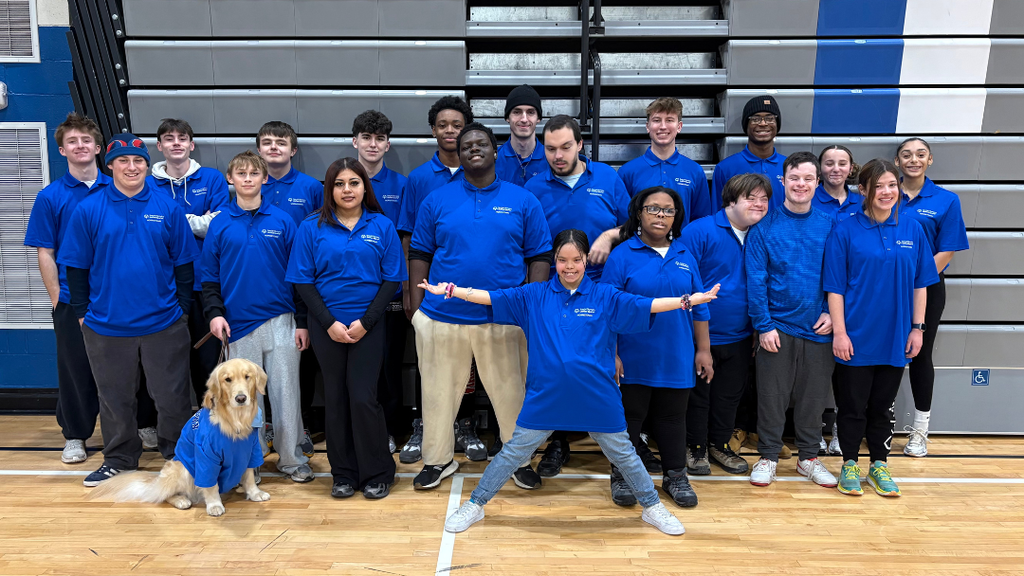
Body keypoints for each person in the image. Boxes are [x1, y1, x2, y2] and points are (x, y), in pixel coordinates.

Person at [434, 229, 720, 536]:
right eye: (562, 260)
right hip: (546, 397)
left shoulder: (606, 296)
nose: (569, 267)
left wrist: (687, 300)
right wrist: (452, 290)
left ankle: (652, 507)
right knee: (513, 453)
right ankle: (475, 505)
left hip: (598, 397)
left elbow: (647, 304)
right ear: (554, 260)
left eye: (577, 260)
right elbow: (488, 296)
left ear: (586, 260)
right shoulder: (533, 295)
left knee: (625, 454)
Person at [408, 123, 552, 491]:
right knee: (437, 396)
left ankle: (518, 460)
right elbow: (420, 253)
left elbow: (539, 256)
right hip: (443, 315)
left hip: (503, 316)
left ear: (495, 150)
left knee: (511, 394)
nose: (474, 149)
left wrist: (529, 305)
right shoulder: (437, 200)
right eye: (467, 144)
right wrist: (416, 307)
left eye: (481, 143)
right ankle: (437, 461)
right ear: (458, 152)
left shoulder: (523, 200)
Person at [58, 134, 197, 487]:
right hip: (106, 325)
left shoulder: (166, 206)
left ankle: (178, 455)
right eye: (123, 161)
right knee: (115, 398)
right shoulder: (88, 209)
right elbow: (76, 267)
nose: (131, 167)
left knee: (172, 397)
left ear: (148, 166)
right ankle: (119, 457)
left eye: (138, 161)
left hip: (163, 323)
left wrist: (181, 309)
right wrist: (82, 312)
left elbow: (183, 264)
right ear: (111, 165)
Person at [24, 113, 158, 464]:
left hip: (120, 297)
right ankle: (76, 435)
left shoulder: (121, 187)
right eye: (72, 142)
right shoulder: (50, 197)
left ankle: (143, 425)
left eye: (86, 141)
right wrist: (58, 299)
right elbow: (45, 251)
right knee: (76, 368)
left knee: (137, 366)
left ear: (99, 149)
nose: (80, 146)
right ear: (62, 149)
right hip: (73, 299)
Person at [287, 157, 407, 499]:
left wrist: (365, 323)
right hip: (326, 325)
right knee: (336, 399)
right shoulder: (311, 227)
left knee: (363, 397)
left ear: (364, 187)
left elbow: (391, 282)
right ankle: (343, 474)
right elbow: (303, 282)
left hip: (368, 326)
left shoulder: (381, 225)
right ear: (330, 189)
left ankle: (378, 472)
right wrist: (330, 324)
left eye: (354, 182)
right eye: (339, 183)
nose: (347, 189)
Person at [523, 114, 631, 476]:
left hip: (600, 287)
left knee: (598, 367)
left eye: (566, 147)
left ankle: (613, 449)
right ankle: (558, 442)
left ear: (580, 144)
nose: (558, 155)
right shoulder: (534, 186)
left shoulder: (607, 178)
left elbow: (633, 225)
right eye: (550, 149)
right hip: (554, 290)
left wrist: (609, 235)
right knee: (557, 367)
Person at [825, 159, 939, 496]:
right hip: (856, 335)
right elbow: (835, 287)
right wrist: (841, 333)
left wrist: (917, 328)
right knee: (852, 406)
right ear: (863, 190)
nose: (887, 192)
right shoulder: (844, 229)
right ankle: (849, 463)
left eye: (892, 185)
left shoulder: (913, 229)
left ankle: (879, 465)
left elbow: (921, 284)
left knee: (882, 407)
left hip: (896, 335)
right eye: (879, 186)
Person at [200, 150, 313, 483]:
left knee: (286, 394)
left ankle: (292, 459)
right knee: (243, 400)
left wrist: (303, 321)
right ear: (230, 180)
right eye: (240, 174)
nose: (247, 179)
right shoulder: (220, 223)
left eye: (253, 174)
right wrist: (215, 314)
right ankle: (250, 464)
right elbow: (209, 278)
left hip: (282, 320)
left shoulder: (282, 221)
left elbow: (300, 275)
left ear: (265, 179)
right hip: (238, 326)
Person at [602, 187, 711, 508]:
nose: (660, 215)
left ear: (677, 216)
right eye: (653, 209)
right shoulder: (622, 255)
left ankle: (675, 476)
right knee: (629, 419)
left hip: (676, 355)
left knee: (673, 418)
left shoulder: (685, 254)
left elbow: (700, 306)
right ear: (639, 213)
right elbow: (607, 308)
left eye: (668, 210)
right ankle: (622, 475)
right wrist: (613, 353)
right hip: (632, 357)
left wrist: (703, 349)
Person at [396, 96, 483, 465]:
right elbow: (407, 237)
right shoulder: (418, 179)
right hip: (431, 290)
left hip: (474, 287)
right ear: (433, 130)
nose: (450, 130)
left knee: (470, 364)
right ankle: (425, 423)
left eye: (457, 124)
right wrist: (408, 289)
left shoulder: (481, 169)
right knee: (429, 359)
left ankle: (465, 424)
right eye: (443, 124)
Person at [745, 151, 837, 489]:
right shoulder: (764, 226)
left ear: (818, 182)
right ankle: (768, 456)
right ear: (783, 181)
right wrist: (764, 324)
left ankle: (808, 459)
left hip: (819, 327)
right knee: (771, 397)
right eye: (794, 178)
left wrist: (831, 312)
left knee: (813, 398)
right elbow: (756, 279)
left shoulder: (830, 224)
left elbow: (841, 275)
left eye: (808, 179)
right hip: (777, 328)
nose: (801, 184)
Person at [679, 174, 771, 477]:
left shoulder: (763, 233)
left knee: (728, 396)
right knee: (698, 396)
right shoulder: (700, 230)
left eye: (764, 199)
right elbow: (684, 284)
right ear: (731, 200)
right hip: (700, 334)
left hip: (741, 334)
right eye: (751, 198)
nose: (758, 205)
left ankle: (719, 444)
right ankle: (695, 448)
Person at [894, 138, 970, 458]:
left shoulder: (945, 200)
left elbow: (948, 249)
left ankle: (920, 429)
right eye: (906, 155)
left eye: (920, 155)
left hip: (927, 288)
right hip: (885, 287)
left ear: (930, 160)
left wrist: (917, 280)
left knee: (920, 354)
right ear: (897, 162)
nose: (914, 160)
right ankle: (882, 422)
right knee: (883, 353)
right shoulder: (882, 192)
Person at [147, 118, 231, 405]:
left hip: (206, 282)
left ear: (191, 145)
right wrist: (198, 220)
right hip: (164, 286)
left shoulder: (212, 178)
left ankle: (211, 421)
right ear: (159, 146)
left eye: (182, 138)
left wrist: (171, 220)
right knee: (169, 359)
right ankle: (173, 424)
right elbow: (150, 230)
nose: (176, 143)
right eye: (169, 138)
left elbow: (217, 226)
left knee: (209, 359)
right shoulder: (146, 183)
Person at [257, 120, 325, 455]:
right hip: (264, 284)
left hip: (304, 283)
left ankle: (304, 425)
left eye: (280, 143)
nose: (273, 148)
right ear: (258, 150)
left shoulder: (312, 187)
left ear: (293, 150)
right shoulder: (252, 185)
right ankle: (268, 425)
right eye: (267, 142)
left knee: (302, 358)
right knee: (264, 365)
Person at [351, 109, 410, 453]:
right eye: (366, 138)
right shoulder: (339, 180)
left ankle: (388, 430)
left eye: (379, 139)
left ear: (388, 145)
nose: (372, 145)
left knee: (388, 368)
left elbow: (405, 240)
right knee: (357, 371)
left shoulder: (401, 185)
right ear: (354, 141)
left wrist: (402, 287)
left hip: (387, 294)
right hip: (348, 295)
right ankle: (357, 430)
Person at [618, 97, 713, 224]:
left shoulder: (695, 171)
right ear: (648, 127)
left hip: (682, 244)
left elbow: (702, 221)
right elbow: (623, 220)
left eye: (669, 120)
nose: (663, 127)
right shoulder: (627, 172)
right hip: (640, 243)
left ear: (679, 126)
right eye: (657, 120)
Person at [712, 95, 786, 211]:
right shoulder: (725, 168)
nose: (762, 123)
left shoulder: (789, 167)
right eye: (755, 119)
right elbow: (718, 214)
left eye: (769, 118)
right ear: (746, 125)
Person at [495, 84, 547, 187]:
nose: (524, 119)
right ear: (507, 117)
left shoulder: (551, 159)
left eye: (530, 112)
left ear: (538, 118)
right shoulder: (493, 160)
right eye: (517, 112)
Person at [813, 145, 863, 223]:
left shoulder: (863, 202)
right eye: (829, 164)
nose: (836, 169)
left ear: (851, 168)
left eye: (842, 164)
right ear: (819, 168)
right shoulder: (808, 200)